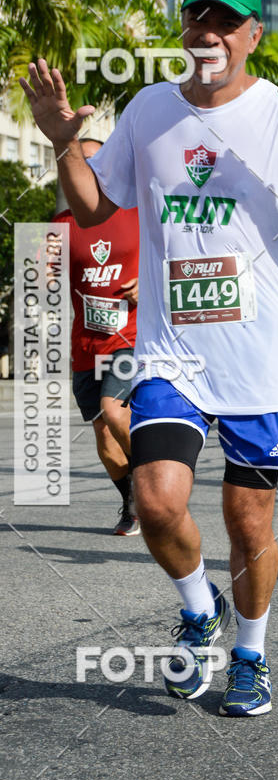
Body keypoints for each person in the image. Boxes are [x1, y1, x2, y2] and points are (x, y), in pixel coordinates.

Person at [21, 0, 278, 715]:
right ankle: (195, 606)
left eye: (224, 21)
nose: (206, 33)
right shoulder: (149, 110)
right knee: (155, 498)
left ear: (253, 36)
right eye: (195, 20)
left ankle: (251, 655)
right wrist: (61, 143)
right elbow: (91, 207)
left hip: (257, 360)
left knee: (249, 524)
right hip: (170, 353)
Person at [54, 138, 140, 536]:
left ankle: (157, 481)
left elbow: (175, 257)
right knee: (105, 441)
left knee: (113, 408)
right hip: (85, 346)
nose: (85, 167)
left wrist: (151, 286)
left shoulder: (139, 213)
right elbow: (38, 276)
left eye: (93, 160)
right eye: (78, 161)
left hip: (131, 337)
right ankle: (132, 501)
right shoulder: (63, 224)